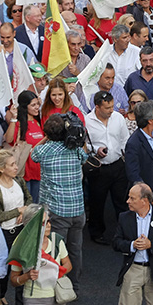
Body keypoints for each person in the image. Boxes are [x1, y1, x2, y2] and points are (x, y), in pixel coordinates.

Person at [30, 113, 88, 293]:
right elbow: (85, 157)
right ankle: (75, 286)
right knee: (75, 250)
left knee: (57, 251)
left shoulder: (44, 151)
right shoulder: (75, 149)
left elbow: (32, 154)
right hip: (78, 210)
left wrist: (46, 138)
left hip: (57, 211)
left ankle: (58, 286)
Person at [0, 149, 31, 305]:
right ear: (1, 169)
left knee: (21, 268)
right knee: (4, 269)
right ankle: (1, 295)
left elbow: (29, 200)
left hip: (22, 231)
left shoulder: (19, 181)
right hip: (5, 234)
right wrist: (16, 211)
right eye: (12, 165)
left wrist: (23, 213)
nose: (16, 167)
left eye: (15, 163)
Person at [10, 205, 71, 305]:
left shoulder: (56, 240)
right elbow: (13, 280)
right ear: (31, 225)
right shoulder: (21, 247)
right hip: (34, 301)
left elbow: (68, 265)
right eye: (43, 223)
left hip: (57, 297)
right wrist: (26, 276)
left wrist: (54, 272)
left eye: (48, 221)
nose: (48, 225)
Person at [84, 90, 131, 244]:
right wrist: (95, 150)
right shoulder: (87, 121)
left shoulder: (118, 118)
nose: (111, 110)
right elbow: (84, 146)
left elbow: (125, 139)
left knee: (122, 201)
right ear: (97, 107)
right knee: (97, 202)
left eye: (111, 106)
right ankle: (97, 233)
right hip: (99, 169)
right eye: (107, 108)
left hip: (118, 165)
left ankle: (125, 231)